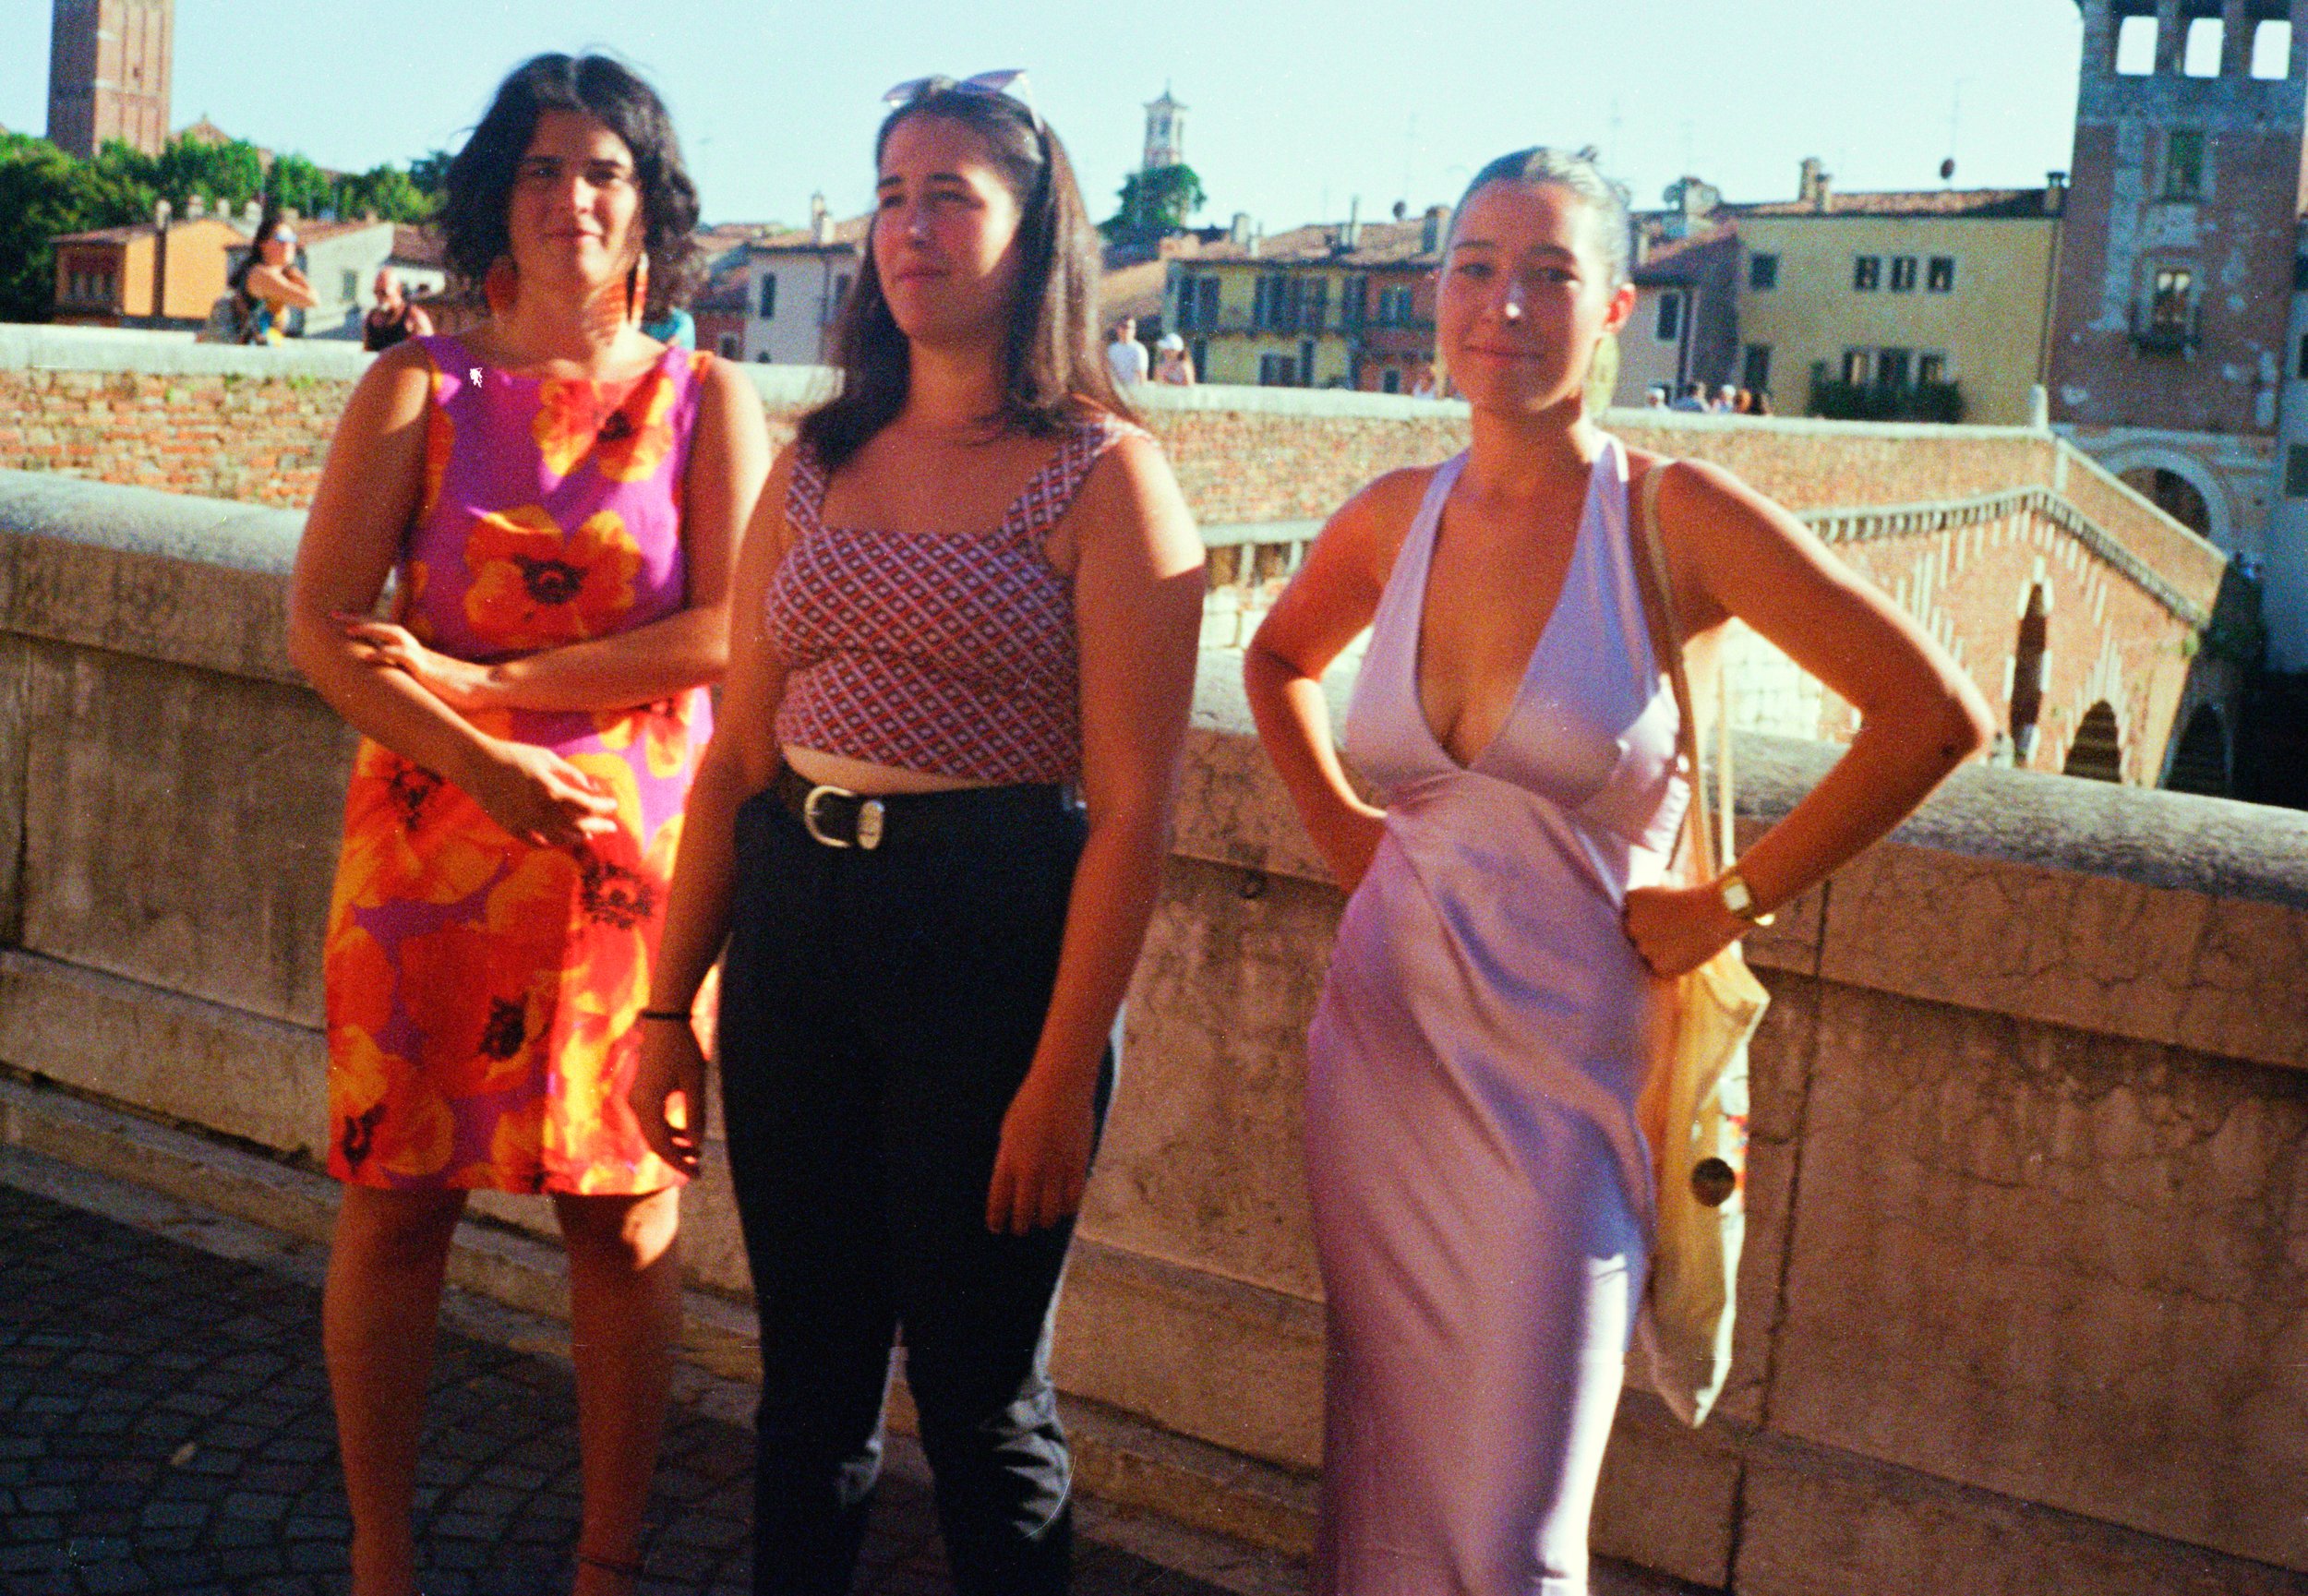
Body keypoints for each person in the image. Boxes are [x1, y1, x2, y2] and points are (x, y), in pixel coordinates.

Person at [1242, 146, 1992, 1594]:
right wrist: (1348, 836)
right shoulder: (1393, 514)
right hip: (1381, 1065)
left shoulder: (1675, 517)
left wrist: (1730, 900)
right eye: (1474, 267)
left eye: (1548, 274)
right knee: (1385, 1495)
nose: (1501, 304)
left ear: (1617, 310)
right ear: (1433, 290)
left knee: (1517, 1544)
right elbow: (1274, 661)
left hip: (1564, 1097)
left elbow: (1933, 712)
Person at [627, 70, 1202, 1596]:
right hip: (802, 937)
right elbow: (740, 753)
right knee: (807, 1383)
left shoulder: (1108, 478)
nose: (909, 225)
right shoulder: (815, 462)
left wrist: (1061, 1074)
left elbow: (1137, 811)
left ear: (1035, 233)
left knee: (979, 1394)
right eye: (891, 192)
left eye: (952, 193)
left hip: (993, 949)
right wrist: (661, 1001)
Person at [284, 53, 769, 1596]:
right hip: (428, 853)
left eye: (606, 173)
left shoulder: (708, 399)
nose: (574, 196)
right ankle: (380, 1556)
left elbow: (729, 631)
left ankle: (608, 1561)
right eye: (547, 167)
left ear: (650, 214)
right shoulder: (418, 385)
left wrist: (495, 685)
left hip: (630, 877)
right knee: (395, 1202)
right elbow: (320, 627)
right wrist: (486, 757)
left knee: (621, 1220)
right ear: (502, 195)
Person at [230, 198, 318, 342]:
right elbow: (312, 300)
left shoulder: (264, 273)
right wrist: (295, 273)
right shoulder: (263, 275)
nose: (288, 244)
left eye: (291, 239)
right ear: (263, 244)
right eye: (281, 239)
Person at [361, 268, 434, 352]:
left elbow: (429, 353)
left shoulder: (414, 318)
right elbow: (366, 353)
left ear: (398, 290)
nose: (379, 297)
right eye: (376, 292)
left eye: (384, 292)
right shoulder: (371, 319)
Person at [1105, 314, 1148, 386]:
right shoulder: (1111, 349)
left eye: (1130, 327)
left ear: (1134, 330)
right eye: (1124, 326)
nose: (1127, 330)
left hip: (1134, 391)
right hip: (1116, 391)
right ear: (1118, 328)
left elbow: (1142, 378)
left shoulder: (1139, 350)